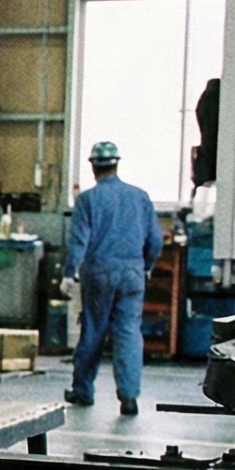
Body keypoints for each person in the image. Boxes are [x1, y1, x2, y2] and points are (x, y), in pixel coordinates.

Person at [64, 139, 161, 418]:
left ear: (94, 168)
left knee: (93, 331)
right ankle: (129, 398)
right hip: (133, 273)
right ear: (116, 164)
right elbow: (154, 239)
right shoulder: (140, 197)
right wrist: (147, 266)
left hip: (99, 274)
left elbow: (79, 240)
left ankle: (83, 391)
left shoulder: (87, 200)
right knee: (129, 333)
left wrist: (69, 273)